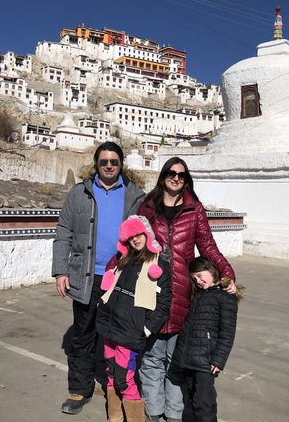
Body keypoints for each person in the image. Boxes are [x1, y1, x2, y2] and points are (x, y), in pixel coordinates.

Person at [135, 156, 237, 422]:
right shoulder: (147, 207)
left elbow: (208, 247)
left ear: (186, 179)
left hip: (183, 292)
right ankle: (152, 412)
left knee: (176, 363)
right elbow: (131, 242)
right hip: (152, 291)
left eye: (181, 174)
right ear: (163, 176)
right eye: (170, 173)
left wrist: (226, 274)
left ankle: (175, 415)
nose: (176, 178)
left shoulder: (195, 209)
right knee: (151, 361)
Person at [52, 141, 145, 415]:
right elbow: (63, 232)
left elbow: (148, 234)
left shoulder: (135, 195)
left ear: (121, 164)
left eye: (113, 162)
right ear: (96, 163)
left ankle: (118, 388)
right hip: (87, 277)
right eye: (103, 161)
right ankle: (79, 389)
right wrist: (61, 271)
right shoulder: (79, 193)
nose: (108, 166)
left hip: (121, 279)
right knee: (82, 335)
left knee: (121, 338)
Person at [96, 215, 171, 422]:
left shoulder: (158, 264)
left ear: (147, 234)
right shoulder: (124, 259)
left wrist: (146, 328)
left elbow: (164, 303)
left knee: (124, 379)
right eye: (131, 237)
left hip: (130, 331)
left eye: (139, 234)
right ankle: (115, 417)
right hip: (110, 325)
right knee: (111, 373)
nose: (136, 239)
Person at [172, 256, 243, 422]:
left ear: (211, 270)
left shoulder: (225, 298)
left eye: (200, 275)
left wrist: (219, 360)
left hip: (207, 361)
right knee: (189, 399)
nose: (198, 280)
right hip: (189, 357)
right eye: (194, 278)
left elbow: (228, 332)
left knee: (204, 402)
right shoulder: (199, 295)